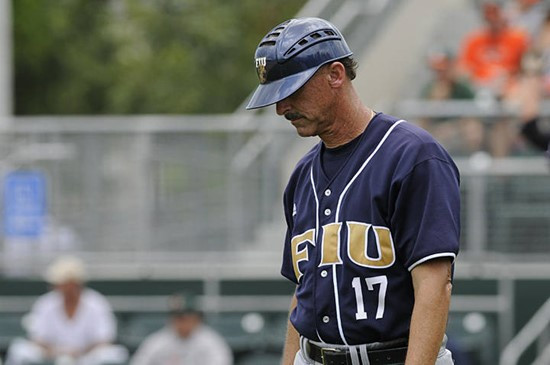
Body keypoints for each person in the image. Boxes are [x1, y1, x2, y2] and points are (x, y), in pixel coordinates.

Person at [246, 17, 460, 365]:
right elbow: (302, 295)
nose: (281, 108)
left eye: (291, 91)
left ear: (335, 75)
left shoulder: (412, 155)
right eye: (276, 96)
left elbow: (435, 286)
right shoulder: (302, 175)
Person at [4, 256, 128, 365]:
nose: (57, 286)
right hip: (51, 356)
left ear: (74, 283)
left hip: (88, 357)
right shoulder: (45, 302)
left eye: (63, 283)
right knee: (19, 350)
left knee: (115, 354)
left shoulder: (96, 302)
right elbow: (38, 338)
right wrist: (56, 352)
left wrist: (80, 353)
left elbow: (105, 339)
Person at [130, 294, 233, 365]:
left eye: (186, 318)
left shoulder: (211, 341)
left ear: (197, 318)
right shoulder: (157, 341)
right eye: (178, 318)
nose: (182, 323)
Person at [420, 49, 484, 155]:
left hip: (459, 129)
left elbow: (473, 115)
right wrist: (435, 102)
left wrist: (453, 126)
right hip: (437, 131)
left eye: (443, 70)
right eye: (437, 71)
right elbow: (423, 121)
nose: (440, 75)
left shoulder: (462, 87)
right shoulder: (429, 89)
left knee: (473, 130)